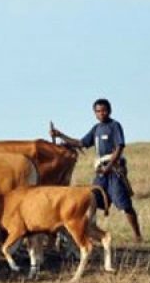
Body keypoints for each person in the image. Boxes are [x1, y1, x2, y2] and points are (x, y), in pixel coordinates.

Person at [49, 98, 143, 242]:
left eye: (104, 110)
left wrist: (109, 167)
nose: (101, 113)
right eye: (98, 111)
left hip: (114, 170)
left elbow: (120, 147)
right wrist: (60, 135)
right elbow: (81, 143)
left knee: (124, 205)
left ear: (109, 111)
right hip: (101, 172)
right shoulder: (96, 129)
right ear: (95, 113)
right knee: (90, 201)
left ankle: (137, 236)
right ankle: (91, 234)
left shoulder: (114, 126)